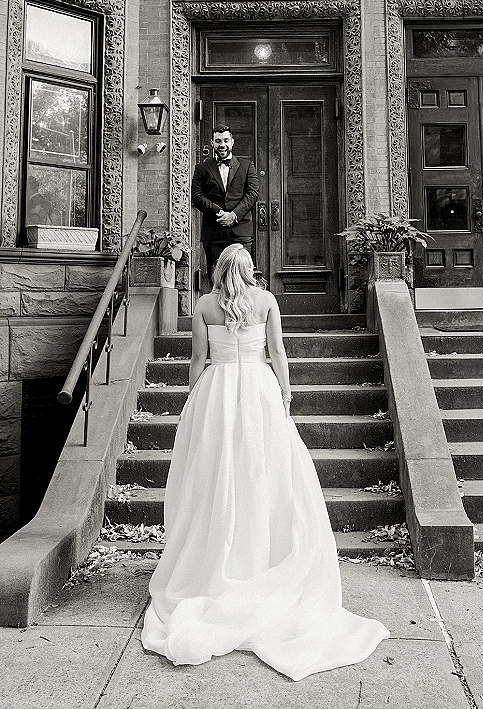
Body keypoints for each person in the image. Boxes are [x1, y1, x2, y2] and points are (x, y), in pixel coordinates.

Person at [141, 244, 389, 681]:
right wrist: (287, 394)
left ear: (220, 270)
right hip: (258, 389)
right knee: (264, 472)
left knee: (216, 474)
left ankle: (218, 554)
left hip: (217, 391)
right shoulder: (267, 300)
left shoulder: (202, 305)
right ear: (251, 270)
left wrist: (192, 400)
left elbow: (198, 360)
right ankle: (261, 553)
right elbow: (277, 352)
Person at [191, 125, 259, 282]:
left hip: (241, 232)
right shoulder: (202, 168)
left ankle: (242, 308)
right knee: (216, 279)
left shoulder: (247, 166)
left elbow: (252, 194)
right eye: (218, 141)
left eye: (226, 140)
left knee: (243, 278)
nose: (222, 144)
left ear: (232, 142)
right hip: (214, 233)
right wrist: (220, 214)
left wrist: (234, 216)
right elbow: (197, 196)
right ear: (212, 143)